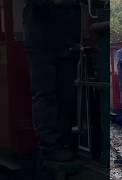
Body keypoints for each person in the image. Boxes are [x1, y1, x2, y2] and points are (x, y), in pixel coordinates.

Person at [23, 0, 81, 161]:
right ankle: (49, 147)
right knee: (45, 94)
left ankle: (64, 141)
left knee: (66, 95)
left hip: (67, 42)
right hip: (41, 42)